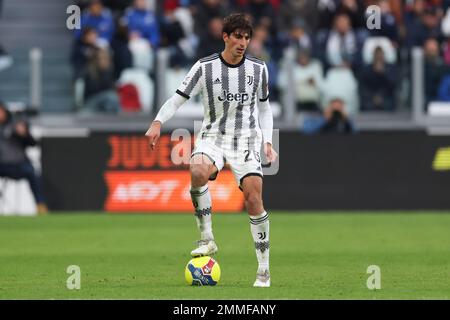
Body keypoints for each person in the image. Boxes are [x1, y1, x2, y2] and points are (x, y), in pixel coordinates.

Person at [145, 13, 277, 287]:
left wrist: (268, 141)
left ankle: (263, 269)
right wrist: (158, 122)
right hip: (213, 136)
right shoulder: (204, 67)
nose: (243, 42)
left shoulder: (258, 69)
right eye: (238, 37)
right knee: (198, 170)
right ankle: (207, 238)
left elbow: (264, 108)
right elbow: (177, 99)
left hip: (245, 139)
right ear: (225, 37)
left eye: (247, 37)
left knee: (254, 198)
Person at [0, 102, 48, 214]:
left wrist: (24, 133)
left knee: (32, 173)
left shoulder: (15, 125)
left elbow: (32, 143)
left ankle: (40, 205)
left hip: (18, 164)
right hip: (1, 165)